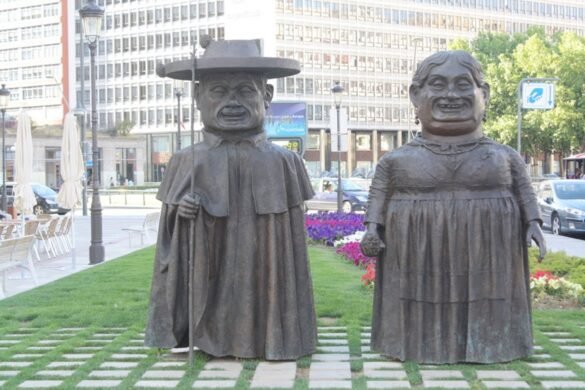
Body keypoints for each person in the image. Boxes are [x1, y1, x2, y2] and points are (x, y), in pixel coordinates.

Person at [360, 50, 546, 364]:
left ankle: (492, 343)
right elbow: (378, 196)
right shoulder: (395, 160)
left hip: (488, 247)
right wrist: (371, 229)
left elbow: (524, 191)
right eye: (437, 84)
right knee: (419, 295)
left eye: (463, 85)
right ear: (415, 95)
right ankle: (417, 343)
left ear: (483, 94)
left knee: (490, 296)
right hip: (417, 248)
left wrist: (535, 222)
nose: (450, 95)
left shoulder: (505, 156)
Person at [145, 37, 317, 360]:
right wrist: (181, 213)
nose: (232, 102)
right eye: (219, 92)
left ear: (267, 97)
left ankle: (271, 337)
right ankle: (210, 338)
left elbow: (293, 247)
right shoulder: (186, 161)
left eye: (244, 91)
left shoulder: (284, 162)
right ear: (198, 97)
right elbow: (168, 240)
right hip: (211, 272)